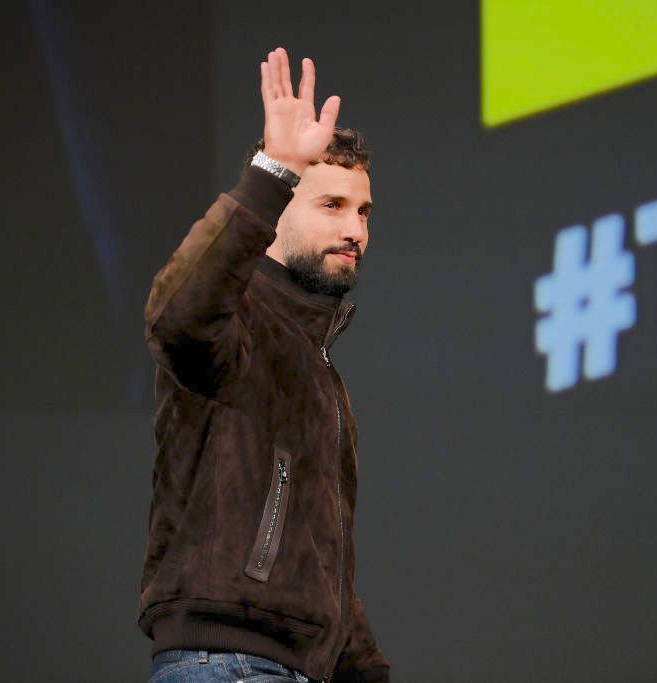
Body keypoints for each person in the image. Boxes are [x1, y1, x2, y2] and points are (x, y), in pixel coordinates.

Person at [137, 47, 389, 683]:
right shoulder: (235, 318)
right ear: (278, 211)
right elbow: (176, 315)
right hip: (225, 664)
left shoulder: (318, 366)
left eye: (362, 211)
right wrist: (272, 170)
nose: (355, 229)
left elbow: (319, 570)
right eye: (331, 206)